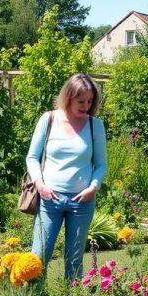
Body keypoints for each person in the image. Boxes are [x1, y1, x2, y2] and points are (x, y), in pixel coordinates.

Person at [26, 74, 108, 280]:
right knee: (38, 257)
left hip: (82, 202)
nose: (86, 106)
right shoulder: (49, 119)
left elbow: (100, 164)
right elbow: (32, 157)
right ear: (68, 97)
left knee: (74, 260)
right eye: (81, 101)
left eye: (90, 101)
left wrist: (93, 187)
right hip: (49, 199)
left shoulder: (94, 125)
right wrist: (40, 184)